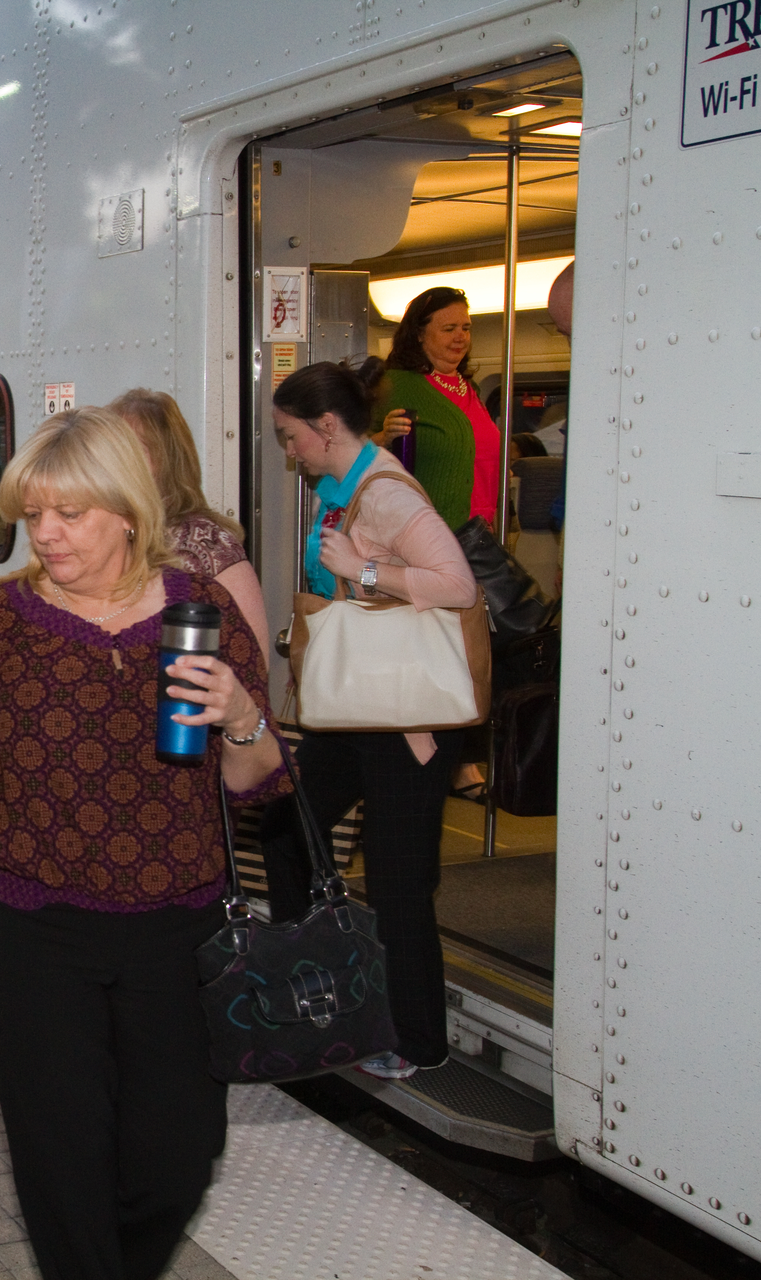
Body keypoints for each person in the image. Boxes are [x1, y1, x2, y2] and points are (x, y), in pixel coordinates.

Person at [0, 406, 284, 1280]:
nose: (44, 535)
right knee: (62, 1166)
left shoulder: (199, 612)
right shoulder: (0, 617)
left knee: (176, 1162)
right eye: (31, 514)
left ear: (128, 511)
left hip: (182, 928)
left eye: (68, 514)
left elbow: (258, 782)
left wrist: (244, 719)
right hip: (34, 930)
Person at [260, 360, 479, 1081]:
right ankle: (318, 984)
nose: (287, 451)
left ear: (326, 427)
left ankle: (419, 1042)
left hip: (407, 721)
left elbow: (457, 585)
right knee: (289, 830)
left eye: (291, 436)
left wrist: (366, 569)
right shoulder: (342, 489)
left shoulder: (384, 496)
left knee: (398, 880)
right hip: (360, 712)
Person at [109, 388, 271, 667]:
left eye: (132, 451)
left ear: (166, 460)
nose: (115, 464)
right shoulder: (110, 533)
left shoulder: (210, 546)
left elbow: (255, 665)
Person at [370, 286, 501, 530]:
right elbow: (349, 449)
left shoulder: (471, 388)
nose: (460, 337)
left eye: (466, 328)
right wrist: (384, 438)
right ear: (419, 334)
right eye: (449, 329)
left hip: (479, 533)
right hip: (423, 534)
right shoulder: (394, 384)